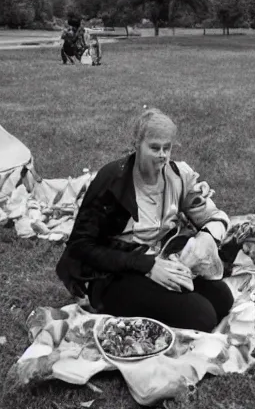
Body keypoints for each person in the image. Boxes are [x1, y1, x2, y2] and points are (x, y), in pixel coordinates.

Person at [55, 108, 234, 331]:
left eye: (167, 148)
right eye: (154, 148)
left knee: (222, 300)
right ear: (136, 144)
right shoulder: (112, 181)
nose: (162, 155)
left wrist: (208, 236)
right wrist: (146, 265)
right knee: (202, 317)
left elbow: (213, 216)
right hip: (114, 272)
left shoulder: (178, 175)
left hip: (163, 260)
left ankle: (163, 296)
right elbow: (81, 246)